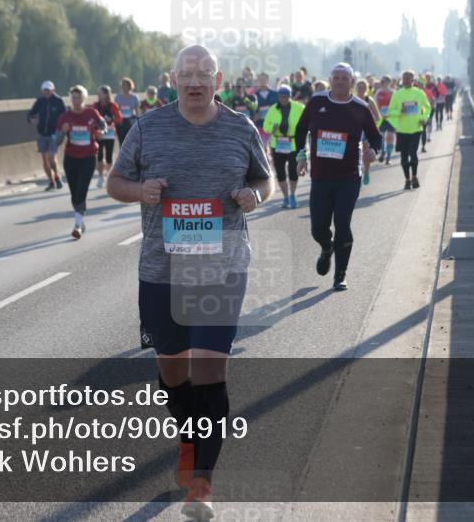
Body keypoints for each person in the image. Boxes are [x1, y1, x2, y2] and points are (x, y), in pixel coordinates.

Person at [107, 44, 273, 519]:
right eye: (187, 74)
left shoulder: (240, 129)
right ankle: (188, 435)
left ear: (218, 80)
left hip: (222, 270)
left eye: (204, 74)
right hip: (162, 271)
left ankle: (201, 484)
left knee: (209, 370)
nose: (195, 81)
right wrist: (140, 191)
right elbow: (115, 184)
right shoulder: (149, 127)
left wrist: (254, 195)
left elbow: (266, 181)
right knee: (173, 373)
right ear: (174, 79)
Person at [295, 63, 382, 291]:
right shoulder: (317, 102)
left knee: (343, 223)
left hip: (349, 177)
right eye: (337, 77)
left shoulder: (361, 108)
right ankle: (326, 247)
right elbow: (299, 129)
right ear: (330, 79)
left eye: (345, 78)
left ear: (353, 82)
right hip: (321, 177)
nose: (341, 81)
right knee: (318, 228)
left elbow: (376, 137)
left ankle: (340, 274)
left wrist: (374, 150)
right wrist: (300, 155)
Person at [56, 85, 106, 239]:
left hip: (88, 157)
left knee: (81, 190)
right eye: (73, 98)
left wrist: (101, 132)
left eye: (78, 98)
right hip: (71, 158)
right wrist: (63, 132)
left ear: (84, 99)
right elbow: (57, 141)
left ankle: (77, 225)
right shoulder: (65, 117)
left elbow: (102, 125)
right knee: (73, 193)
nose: (76, 101)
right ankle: (80, 219)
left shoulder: (91, 113)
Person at [387, 70, 431, 190]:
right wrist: (400, 112)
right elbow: (391, 111)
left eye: (408, 78)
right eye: (404, 78)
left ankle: (415, 177)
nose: (406, 80)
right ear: (402, 79)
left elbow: (427, 108)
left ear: (413, 80)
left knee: (413, 154)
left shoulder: (420, 93)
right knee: (404, 157)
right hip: (402, 130)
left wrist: (423, 118)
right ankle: (407, 179)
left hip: (416, 129)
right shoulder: (397, 94)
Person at [262, 84, 305, 208]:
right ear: (278, 97)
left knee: (293, 171)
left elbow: (306, 122)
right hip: (277, 144)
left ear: (290, 96)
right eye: (281, 96)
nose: (283, 99)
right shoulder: (273, 109)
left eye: (286, 96)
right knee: (280, 172)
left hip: (292, 144)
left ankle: (292, 195)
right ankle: (286, 197)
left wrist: (300, 131)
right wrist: (272, 128)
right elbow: (265, 126)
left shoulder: (299, 108)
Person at [27, 80, 66, 191]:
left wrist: (62, 130)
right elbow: (31, 113)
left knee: (51, 157)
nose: (46, 92)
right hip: (42, 134)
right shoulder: (40, 101)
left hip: (54, 133)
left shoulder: (58, 101)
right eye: (45, 90)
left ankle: (57, 176)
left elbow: (65, 115)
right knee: (45, 160)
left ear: (53, 90)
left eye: (48, 90)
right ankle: (51, 181)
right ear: (42, 91)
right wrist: (31, 119)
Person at [92, 85, 123, 188]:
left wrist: (112, 119)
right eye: (98, 93)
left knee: (109, 157)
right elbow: (91, 118)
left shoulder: (112, 105)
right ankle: (101, 176)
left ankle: (107, 174)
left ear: (106, 94)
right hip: (99, 133)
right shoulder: (96, 105)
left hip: (109, 134)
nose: (98, 95)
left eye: (100, 93)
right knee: (99, 155)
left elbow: (119, 119)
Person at [354, 79, 382, 186]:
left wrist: (373, 126)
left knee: (365, 154)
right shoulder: (352, 99)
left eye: (363, 87)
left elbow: (378, 117)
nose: (361, 89)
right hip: (354, 130)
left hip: (366, 131)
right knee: (355, 154)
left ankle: (366, 171)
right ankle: (358, 175)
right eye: (359, 87)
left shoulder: (369, 100)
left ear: (367, 89)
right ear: (356, 88)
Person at [374, 76, 397, 165]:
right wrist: (378, 114)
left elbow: (396, 106)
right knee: (381, 136)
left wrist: (390, 113)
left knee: (390, 137)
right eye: (382, 81)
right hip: (381, 117)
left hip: (391, 118)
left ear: (389, 82)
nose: (383, 83)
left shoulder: (393, 93)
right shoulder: (378, 92)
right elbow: (375, 104)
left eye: (385, 81)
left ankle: (388, 157)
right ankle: (383, 152)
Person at [253, 72, 278, 148]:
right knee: (263, 148)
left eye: (264, 79)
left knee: (272, 149)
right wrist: (255, 116)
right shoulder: (254, 95)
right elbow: (252, 111)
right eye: (260, 79)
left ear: (268, 80)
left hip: (273, 126)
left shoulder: (275, 94)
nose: (262, 81)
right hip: (260, 125)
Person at [115, 77, 140, 145]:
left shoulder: (134, 97)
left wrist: (138, 122)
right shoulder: (118, 97)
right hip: (121, 121)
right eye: (123, 85)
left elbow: (137, 110)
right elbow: (116, 110)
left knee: (131, 141)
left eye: (126, 85)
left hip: (131, 121)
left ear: (130, 86)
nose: (124, 87)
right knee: (122, 141)